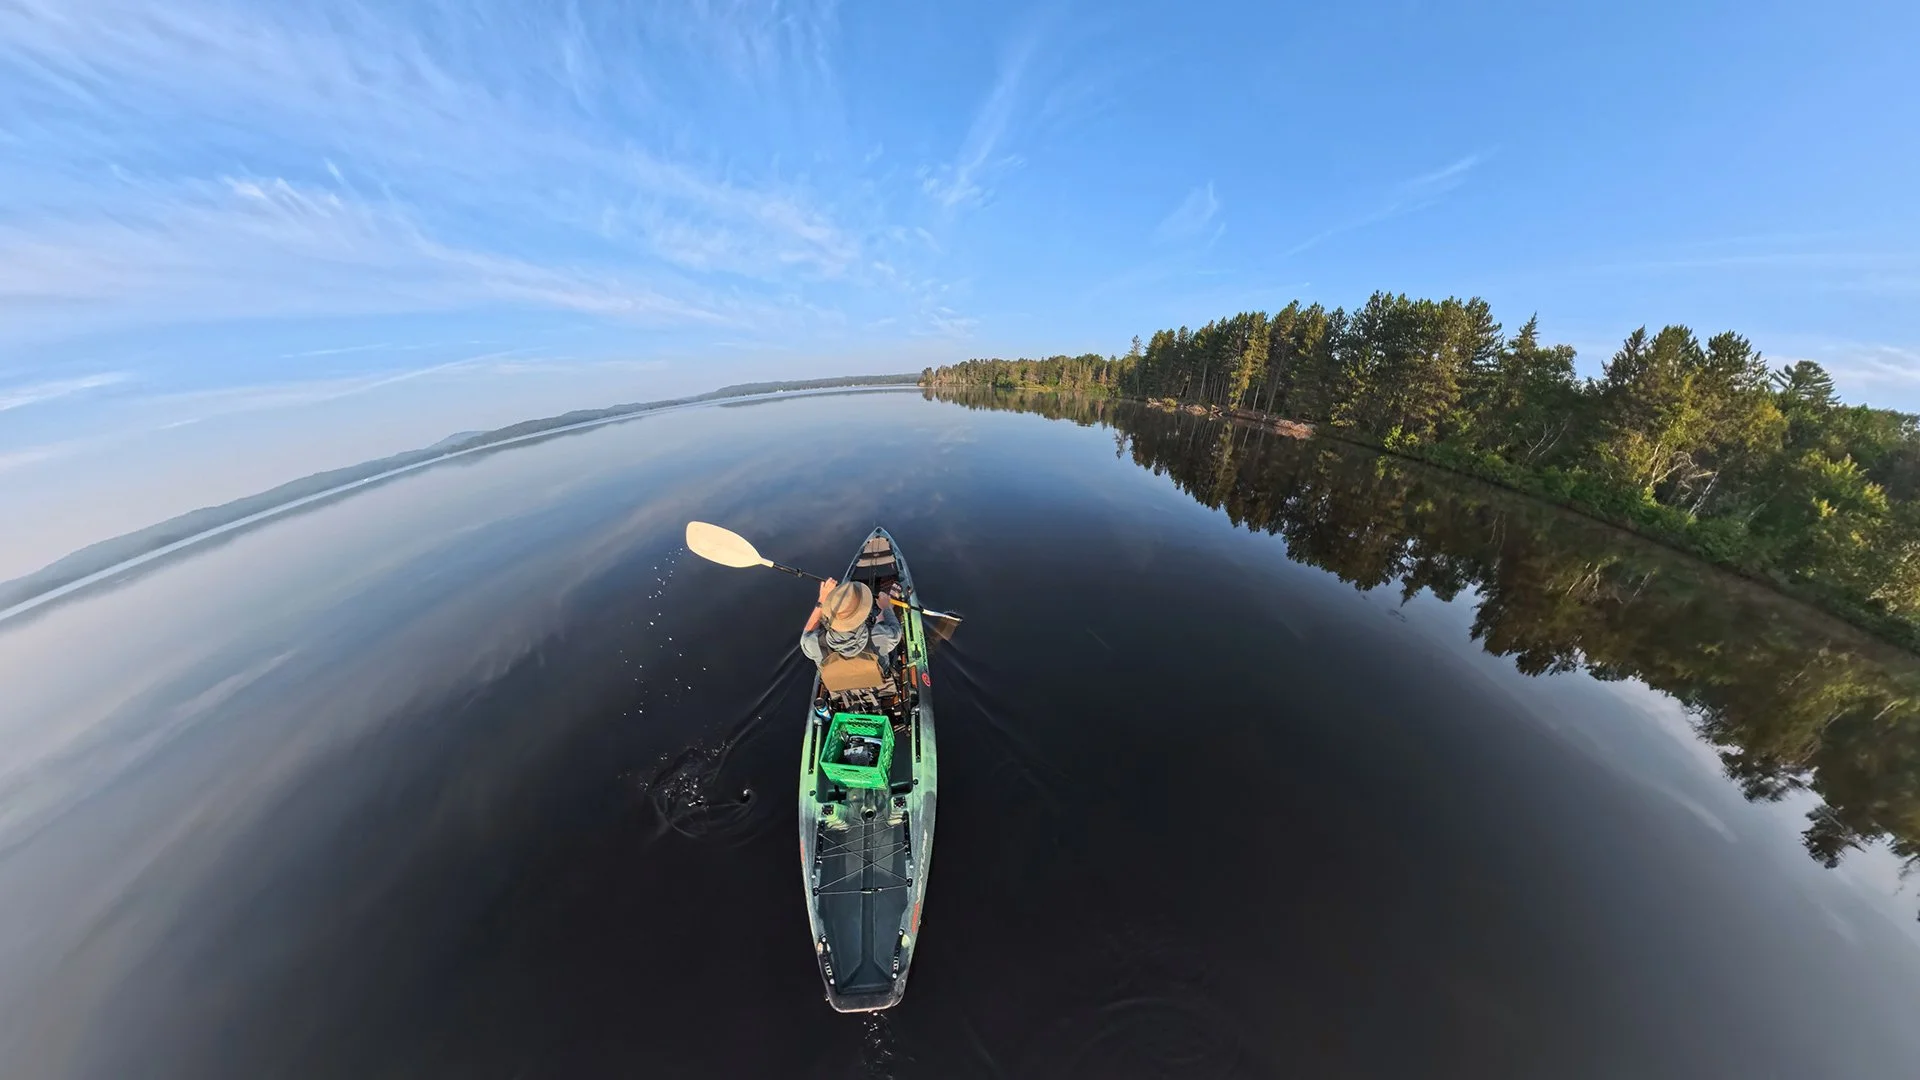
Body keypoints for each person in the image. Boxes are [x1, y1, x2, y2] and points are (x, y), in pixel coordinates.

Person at [801, 577, 902, 672]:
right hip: (879, 685)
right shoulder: (881, 636)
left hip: (841, 690)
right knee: (880, 619)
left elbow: (807, 633)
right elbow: (896, 630)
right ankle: (888, 605)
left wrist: (822, 599)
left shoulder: (815, 644)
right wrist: (886, 607)